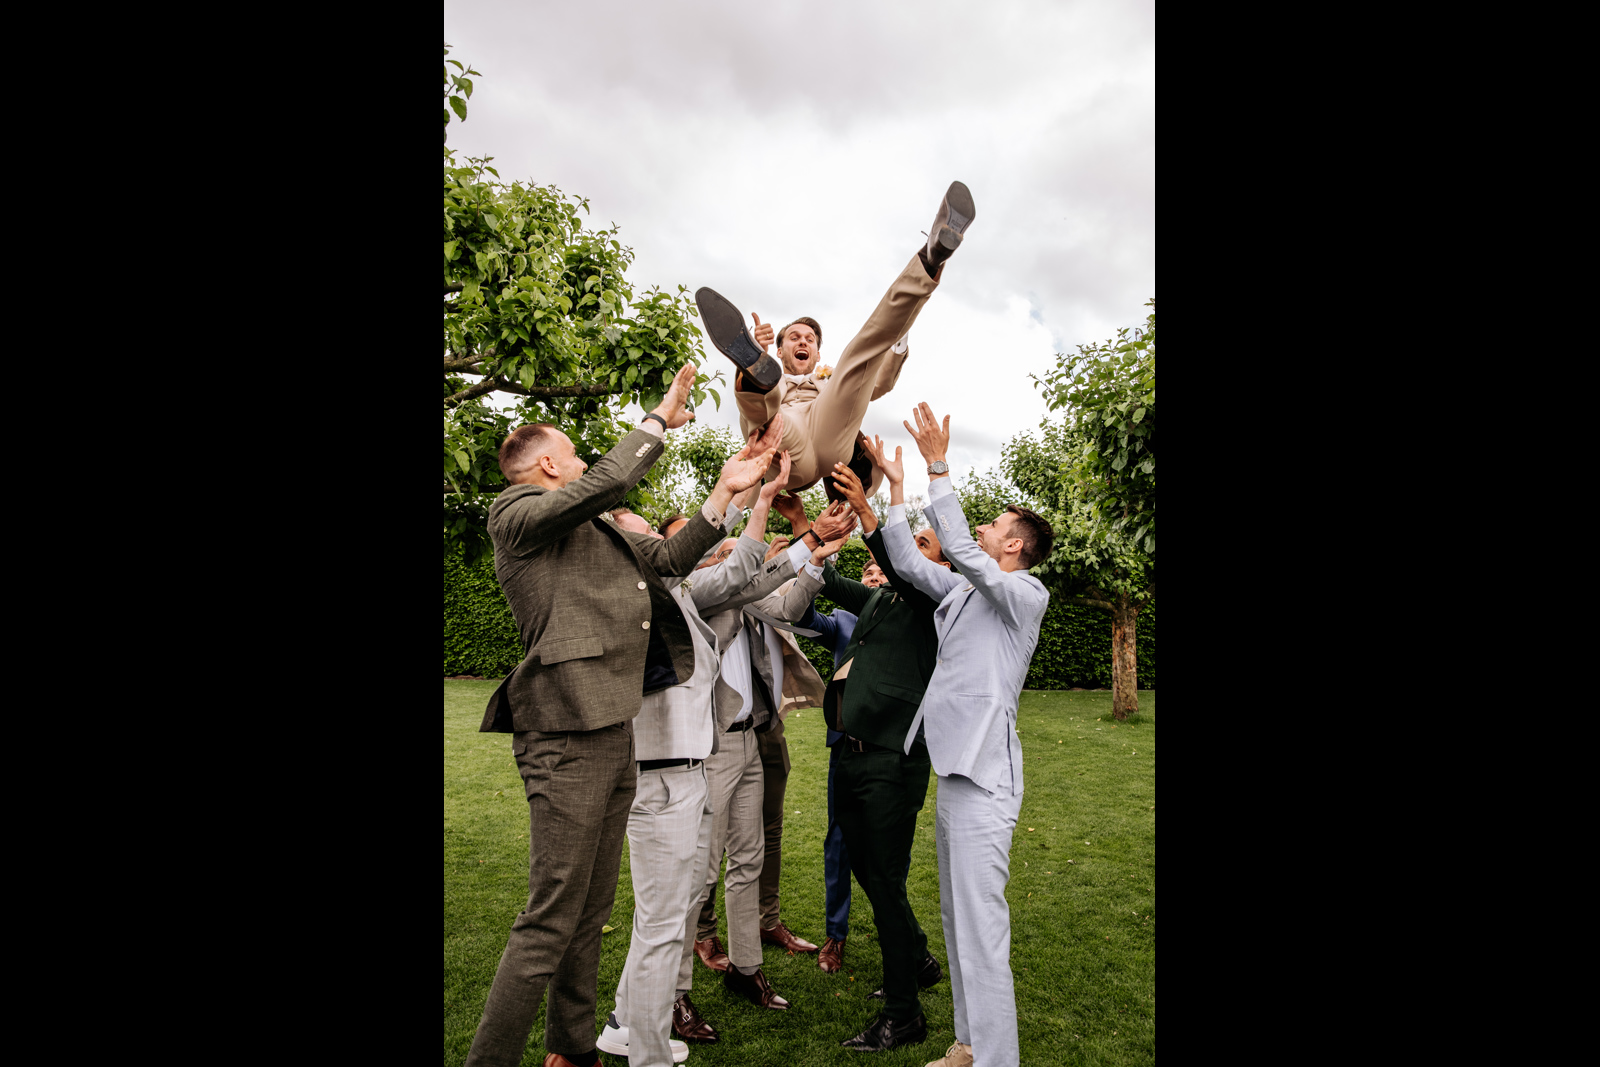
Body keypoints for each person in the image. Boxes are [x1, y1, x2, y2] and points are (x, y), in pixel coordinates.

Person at [462, 363, 781, 1067]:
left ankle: (573, 1048)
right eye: (574, 453)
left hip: (613, 731)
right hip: (562, 734)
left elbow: (670, 556)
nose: (584, 462)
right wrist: (659, 419)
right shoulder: (514, 514)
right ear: (548, 465)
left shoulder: (600, 532)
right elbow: (605, 481)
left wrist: (724, 494)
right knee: (549, 918)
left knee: (590, 913)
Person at [594, 459, 794, 1067]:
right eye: (644, 536)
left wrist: (765, 502)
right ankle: (649, 1047)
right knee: (664, 918)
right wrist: (741, 496)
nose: (661, 547)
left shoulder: (673, 590)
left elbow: (739, 572)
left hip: (686, 766)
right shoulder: (630, 596)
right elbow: (728, 566)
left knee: (662, 912)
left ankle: (622, 1021)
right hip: (660, 771)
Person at [873, 405, 1055, 1067]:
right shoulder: (963, 593)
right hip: (953, 771)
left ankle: (997, 1058)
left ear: (1014, 547)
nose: (981, 529)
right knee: (957, 920)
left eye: (994, 526)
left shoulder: (1025, 595)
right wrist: (897, 491)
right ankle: (970, 1044)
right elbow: (906, 562)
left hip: (987, 779)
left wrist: (939, 466)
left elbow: (968, 555)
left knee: (982, 926)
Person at [784, 459, 952, 1052]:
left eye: (923, 544)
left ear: (943, 566)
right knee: (868, 871)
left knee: (883, 880)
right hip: (850, 756)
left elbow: (900, 564)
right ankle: (919, 959)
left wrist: (868, 508)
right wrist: (804, 521)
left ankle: (904, 1016)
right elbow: (830, 584)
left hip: (891, 761)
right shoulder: (882, 602)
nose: (910, 550)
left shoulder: (938, 604)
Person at [694, 181, 976, 496]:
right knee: (763, 410)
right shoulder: (778, 381)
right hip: (784, 450)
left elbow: (878, 382)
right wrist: (760, 355)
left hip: (831, 434)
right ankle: (752, 370)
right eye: (794, 338)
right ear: (779, 350)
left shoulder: (827, 380)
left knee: (857, 353)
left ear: (817, 354)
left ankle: (930, 259)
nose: (803, 342)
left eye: (810, 339)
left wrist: (895, 336)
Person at [688, 506, 854, 1014]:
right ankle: (673, 992)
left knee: (749, 858)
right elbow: (744, 580)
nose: (745, 562)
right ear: (714, 562)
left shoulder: (751, 597)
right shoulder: (701, 592)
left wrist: (816, 561)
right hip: (713, 745)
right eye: (733, 554)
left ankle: (747, 969)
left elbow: (789, 607)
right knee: (699, 868)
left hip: (753, 737)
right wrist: (800, 537)